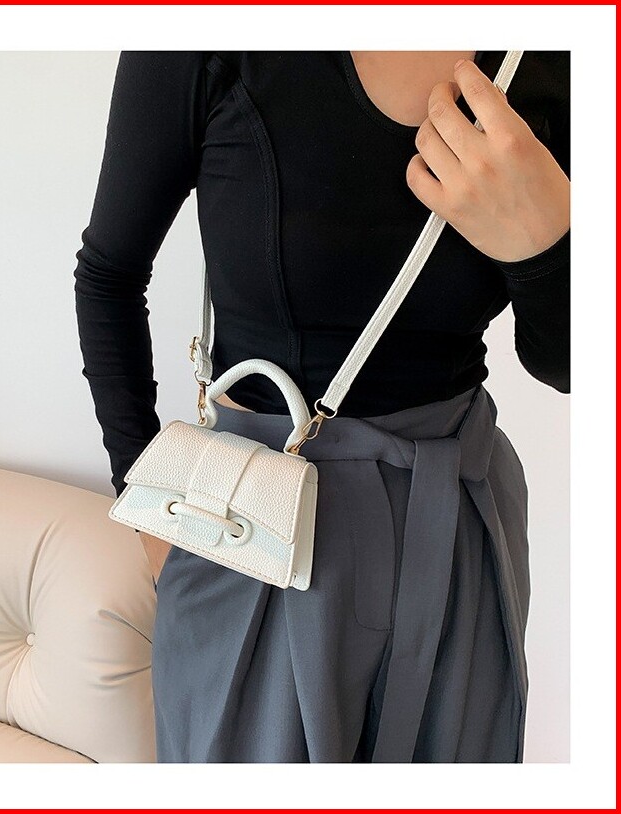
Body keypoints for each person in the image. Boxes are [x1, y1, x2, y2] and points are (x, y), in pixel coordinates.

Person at [72, 51, 570, 763]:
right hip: (256, 533)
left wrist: (549, 243)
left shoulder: (555, 54)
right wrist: (147, 511)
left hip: (456, 524)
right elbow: (109, 276)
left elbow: (569, 362)